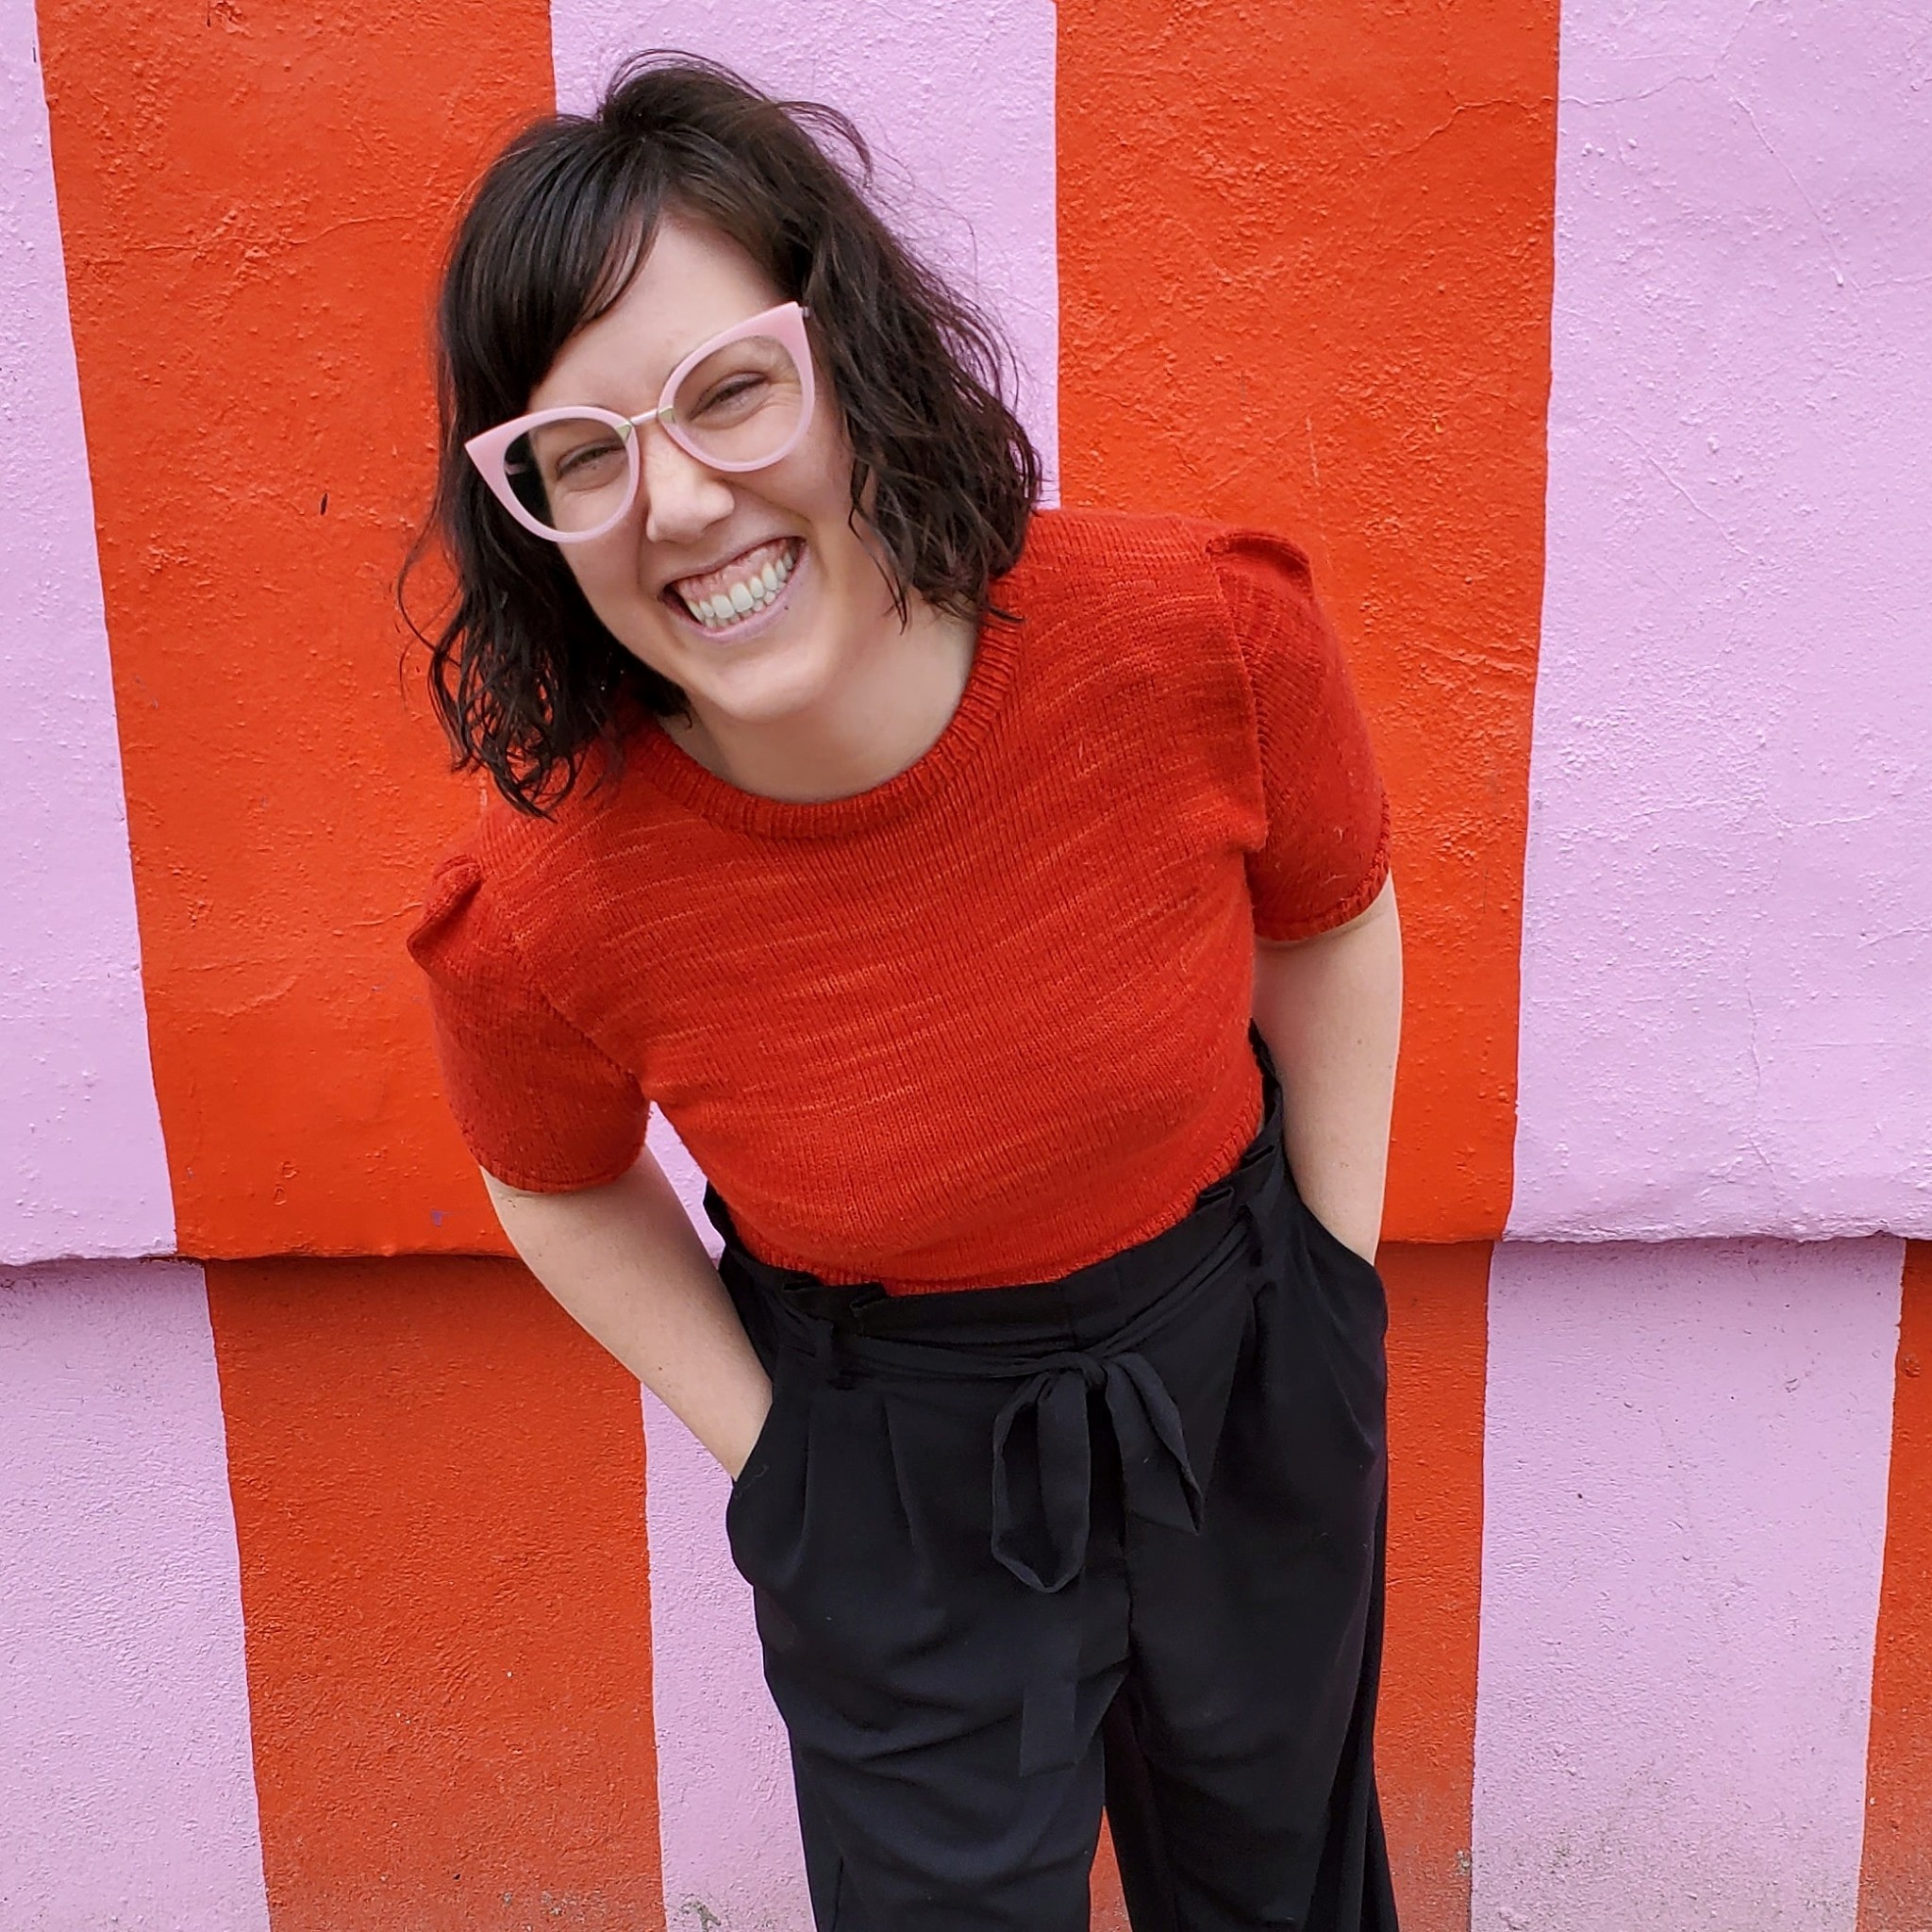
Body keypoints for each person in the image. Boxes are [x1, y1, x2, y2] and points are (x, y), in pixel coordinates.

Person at [405, 53, 1403, 1932]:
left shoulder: (1199, 635)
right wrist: (780, 1456)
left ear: (845, 355)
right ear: (527, 511)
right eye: (583, 455)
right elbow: (549, 1179)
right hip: (888, 1463)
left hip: (1242, 1361)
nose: (681, 502)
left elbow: (1332, 916)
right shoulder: (540, 904)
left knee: (1281, 1890)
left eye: (729, 392)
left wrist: (1325, 1277)